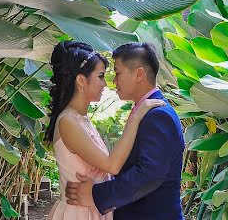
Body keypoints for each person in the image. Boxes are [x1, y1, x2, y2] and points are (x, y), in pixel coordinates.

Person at [46, 41, 165, 220]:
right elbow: (112, 165)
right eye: (100, 76)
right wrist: (135, 116)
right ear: (81, 80)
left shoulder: (81, 119)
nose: (106, 84)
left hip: (92, 209)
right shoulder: (68, 122)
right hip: (79, 213)